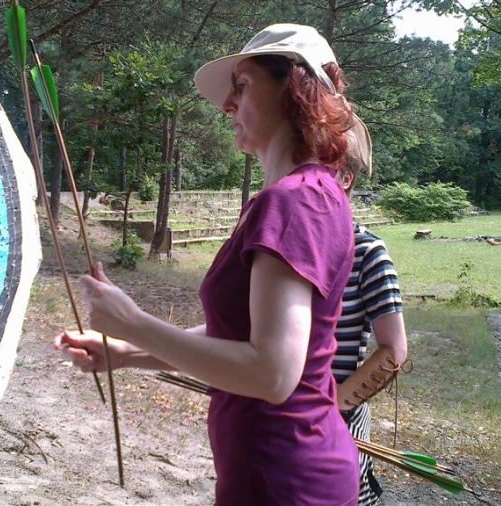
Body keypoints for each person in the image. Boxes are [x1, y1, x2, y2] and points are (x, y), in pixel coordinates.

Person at [54, 23, 361, 505]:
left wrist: (134, 323)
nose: (227, 105)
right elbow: (239, 337)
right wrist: (127, 352)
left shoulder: (294, 202)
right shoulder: (309, 193)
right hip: (283, 470)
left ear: (293, 88)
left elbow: (272, 375)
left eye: (242, 85)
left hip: (284, 481)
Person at [334, 117, 409, 506]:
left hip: (338, 422)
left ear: (345, 178)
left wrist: (333, 406)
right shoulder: (284, 248)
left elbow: (394, 350)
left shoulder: (368, 253)